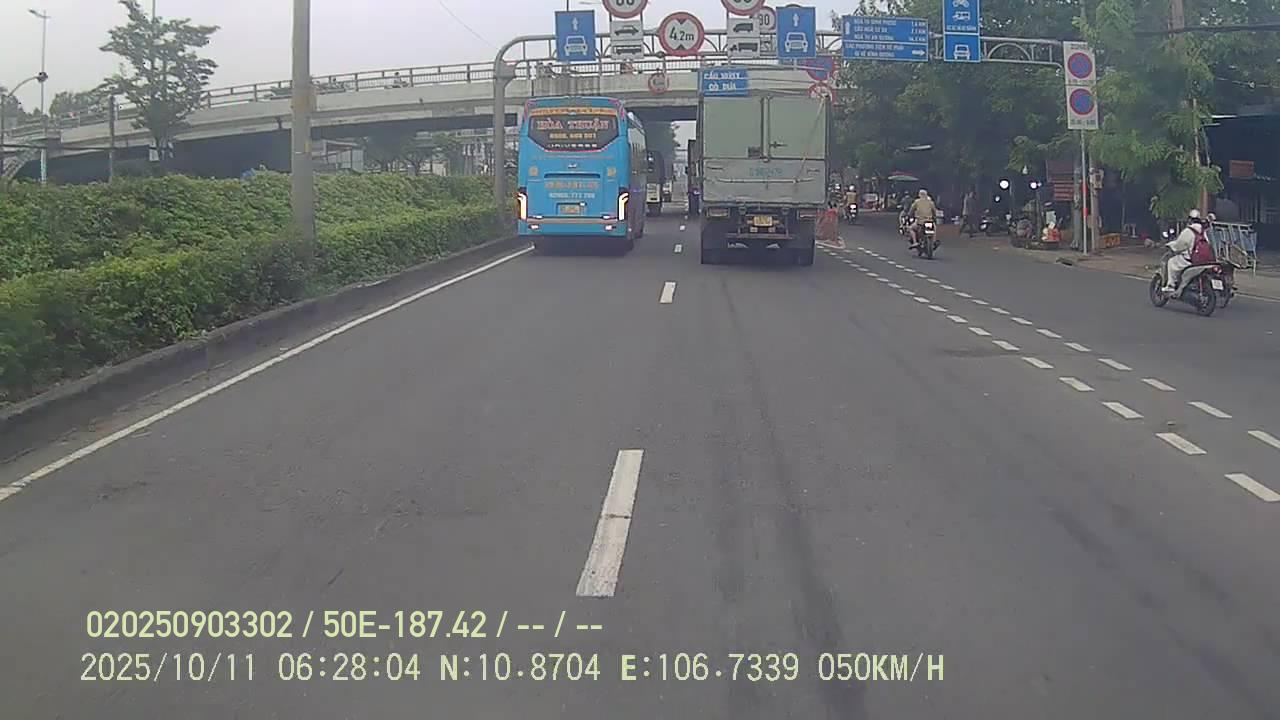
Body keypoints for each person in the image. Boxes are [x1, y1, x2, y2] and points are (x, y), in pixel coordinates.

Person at [1163, 210, 1205, 292]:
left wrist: (1170, 245)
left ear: (1190, 219)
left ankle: (1171, 285)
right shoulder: (1204, 231)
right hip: (1203, 261)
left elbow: (1178, 246)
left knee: (1171, 262)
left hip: (1190, 261)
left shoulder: (1188, 231)